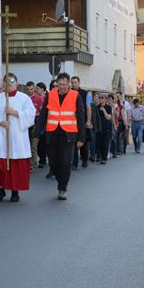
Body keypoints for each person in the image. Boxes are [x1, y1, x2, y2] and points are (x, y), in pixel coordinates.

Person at [34, 72, 85, 200]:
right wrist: (36, 133)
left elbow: (80, 118)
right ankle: (59, 179)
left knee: (66, 163)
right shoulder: (50, 95)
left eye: (64, 84)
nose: (61, 87)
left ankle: (62, 187)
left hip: (68, 135)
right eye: (59, 84)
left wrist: (81, 138)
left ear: (68, 84)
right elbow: (43, 115)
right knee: (53, 162)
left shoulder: (75, 95)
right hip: (52, 134)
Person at [0, 73, 35, 203]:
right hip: (0, 136)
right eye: (7, 81)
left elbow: (30, 116)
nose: (10, 83)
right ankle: (1, 189)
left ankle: (15, 191)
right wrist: (0, 122)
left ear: (17, 83)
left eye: (12, 81)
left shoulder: (24, 98)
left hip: (17, 137)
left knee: (15, 167)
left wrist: (15, 113)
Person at [71, 76, 92, 169]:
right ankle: (74, 164)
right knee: (73, 143)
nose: (73, 84)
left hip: (82, 121)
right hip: (72, 122)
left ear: (79, 83)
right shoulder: (69, 93)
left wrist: (88, 120)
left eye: (75, 82)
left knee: (83, 142)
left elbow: (88, 107)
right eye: (72, 82)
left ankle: (85, 159)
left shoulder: (86, 93)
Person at [26, 81, 44, 172]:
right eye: (28, 89)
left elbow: (43, 113)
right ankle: (28, 164)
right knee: (27, 145)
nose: (30, 91)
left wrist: (36, 114)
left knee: (33, 146)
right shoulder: (24, 98)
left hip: (35, 125)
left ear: (34, 89)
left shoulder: (39, 99)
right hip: (26, 126)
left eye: (31, 89)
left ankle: (32, 165)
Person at [96, 94, 112, 164]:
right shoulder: (97, 107)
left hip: (106, 128)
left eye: (102, 98)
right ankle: (99, 156)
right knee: (99, 143)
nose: (100, 99)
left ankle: (104, 158)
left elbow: (108, 117)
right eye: (99, 98)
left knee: (105, 143)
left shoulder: (108, 107)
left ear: (105, 99)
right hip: (98, 128)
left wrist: (103, 110)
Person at [36, 82, 48, 168]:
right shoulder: (36, 98)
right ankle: (42, 158)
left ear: (42, 89)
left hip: (46, 125)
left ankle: (42, 161)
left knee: (43, 143)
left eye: (37, 89)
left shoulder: (47, 98)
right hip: (38, 124)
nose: (36, 90)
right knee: (39, 143)